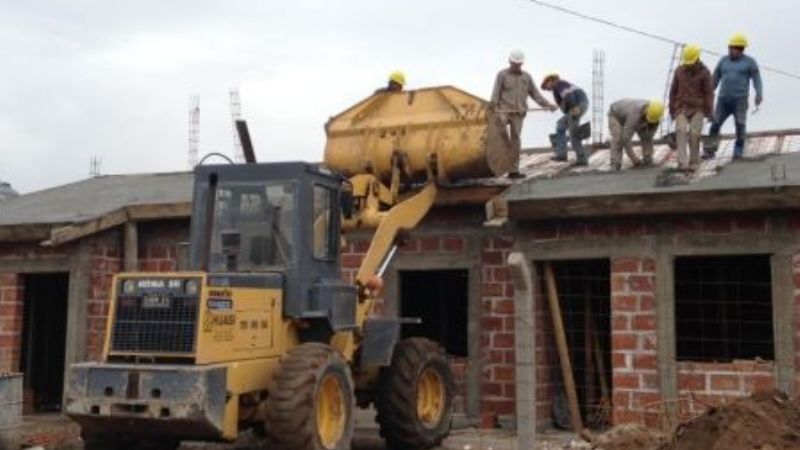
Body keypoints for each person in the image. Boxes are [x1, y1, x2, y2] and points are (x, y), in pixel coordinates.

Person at [490, 50, 558, 178]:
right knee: (498, 137)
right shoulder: (502, 75)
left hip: (519, 113)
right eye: (514, 63)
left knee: (515, 141)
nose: (516, 66)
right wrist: (493, 107)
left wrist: (547, 105)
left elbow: (535, 94)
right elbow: (496, 92)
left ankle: (513, 171)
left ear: (522, 63)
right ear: (510, 61)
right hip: (503, 111)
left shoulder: (526, 77)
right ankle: (495, 166)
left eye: (519, 64)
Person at [704, 33, 763, 160]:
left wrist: (759, 93)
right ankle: (709, 150)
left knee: (740, 124)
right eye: (729, 48)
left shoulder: (750, 62)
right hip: (723, 100)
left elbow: (757, 79)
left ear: (741, 49)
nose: (730, 50)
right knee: (715, 123)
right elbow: (714, 79)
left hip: (740, 100)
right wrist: (708, 94)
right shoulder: (723, 61)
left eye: (733, 48)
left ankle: (738, 149)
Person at [668, 44, 714, 171]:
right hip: (681, 107)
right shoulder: (679, 71)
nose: (689, 65)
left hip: (698, 108)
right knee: (681, 131)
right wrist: (672, 110)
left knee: (694, 133)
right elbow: (673, 92)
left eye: (691, 62)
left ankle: (694, 162)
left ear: (697, 59)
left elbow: (709, 93)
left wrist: (709, 111)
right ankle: (682, 163)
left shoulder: (705, 73)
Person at [541, 73, 590, 166]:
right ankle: (561, 154)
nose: (548, 90)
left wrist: (573, 108)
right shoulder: (559, 87)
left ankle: (582, 160)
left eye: (546, 86)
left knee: (573, 133)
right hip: (578, 105)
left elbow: (569, 97)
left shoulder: (559, 84)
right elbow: (565, 102)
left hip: (577, 106)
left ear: (550, 80)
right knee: (560, 125)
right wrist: (557, 107)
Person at [607, 99, 665, 170]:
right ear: (646, 111)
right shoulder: (635, 114)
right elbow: (626, 138)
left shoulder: (656, 115)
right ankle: (615, 165)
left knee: (646, 135)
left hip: (634, 115)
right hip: (615, 115)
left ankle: (648, 159)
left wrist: (647, 131)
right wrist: (634, 159)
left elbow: (649, 136)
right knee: (618, 137)